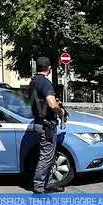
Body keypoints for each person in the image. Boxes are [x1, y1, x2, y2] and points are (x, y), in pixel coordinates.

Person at [28, 57, 65, 193]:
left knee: (47, 155)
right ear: (48, 68)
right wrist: (59, 111)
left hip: (38, 122)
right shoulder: (45, 83)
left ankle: (48, 183)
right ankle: (39, 186)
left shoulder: (33, 82)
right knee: (45, 156)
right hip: (47, 125)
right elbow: (51, 103)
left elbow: (41, 101)